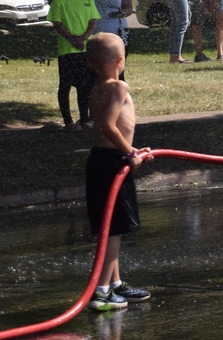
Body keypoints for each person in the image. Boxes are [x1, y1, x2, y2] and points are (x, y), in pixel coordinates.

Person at [83, 33, 154, 311]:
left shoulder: (96, 87)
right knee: (113, 231)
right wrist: (130, 153)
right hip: (114, 162)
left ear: (90, 63)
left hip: (101, 159)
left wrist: (131, 149)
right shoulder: (118, 87)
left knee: (112, 227)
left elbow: (103, 129)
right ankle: (101, 291)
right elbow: (109, 127)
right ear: (120, 60)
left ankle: (115, 284)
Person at [49, 0, 101, 131]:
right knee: (65, 85)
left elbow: (93, 22)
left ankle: (85, 119)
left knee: (85, 86)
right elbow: (57, 24)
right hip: (67, 51)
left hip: (84, 50)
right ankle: (68, 121)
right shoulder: (59, 0)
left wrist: (83, 38)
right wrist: (72, 39)